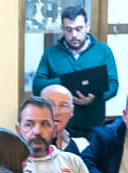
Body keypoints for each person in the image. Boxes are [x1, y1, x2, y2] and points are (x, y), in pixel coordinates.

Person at [31, 5, 119, 139]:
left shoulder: (103, 51)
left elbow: (113, 85)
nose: (74, 35)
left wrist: (94, 99)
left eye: (79, 29)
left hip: (94, 127)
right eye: (69, 30)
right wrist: (64, 83)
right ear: (62, 29)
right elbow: (37, 87)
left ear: (87, 27)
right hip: (59, 129)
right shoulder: (51, 53)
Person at [17, 96, 98, 173]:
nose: (37, 131)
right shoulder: (10, 166)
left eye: (45, 124)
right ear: (18, 129)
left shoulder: (73, 161)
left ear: (54, 129)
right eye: (29, 124)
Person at [39, 83, 82, 155]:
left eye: (63, 105)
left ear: (72, 111)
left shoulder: (71, 145)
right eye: (50, 105)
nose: (56, 112)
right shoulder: (31, 145)